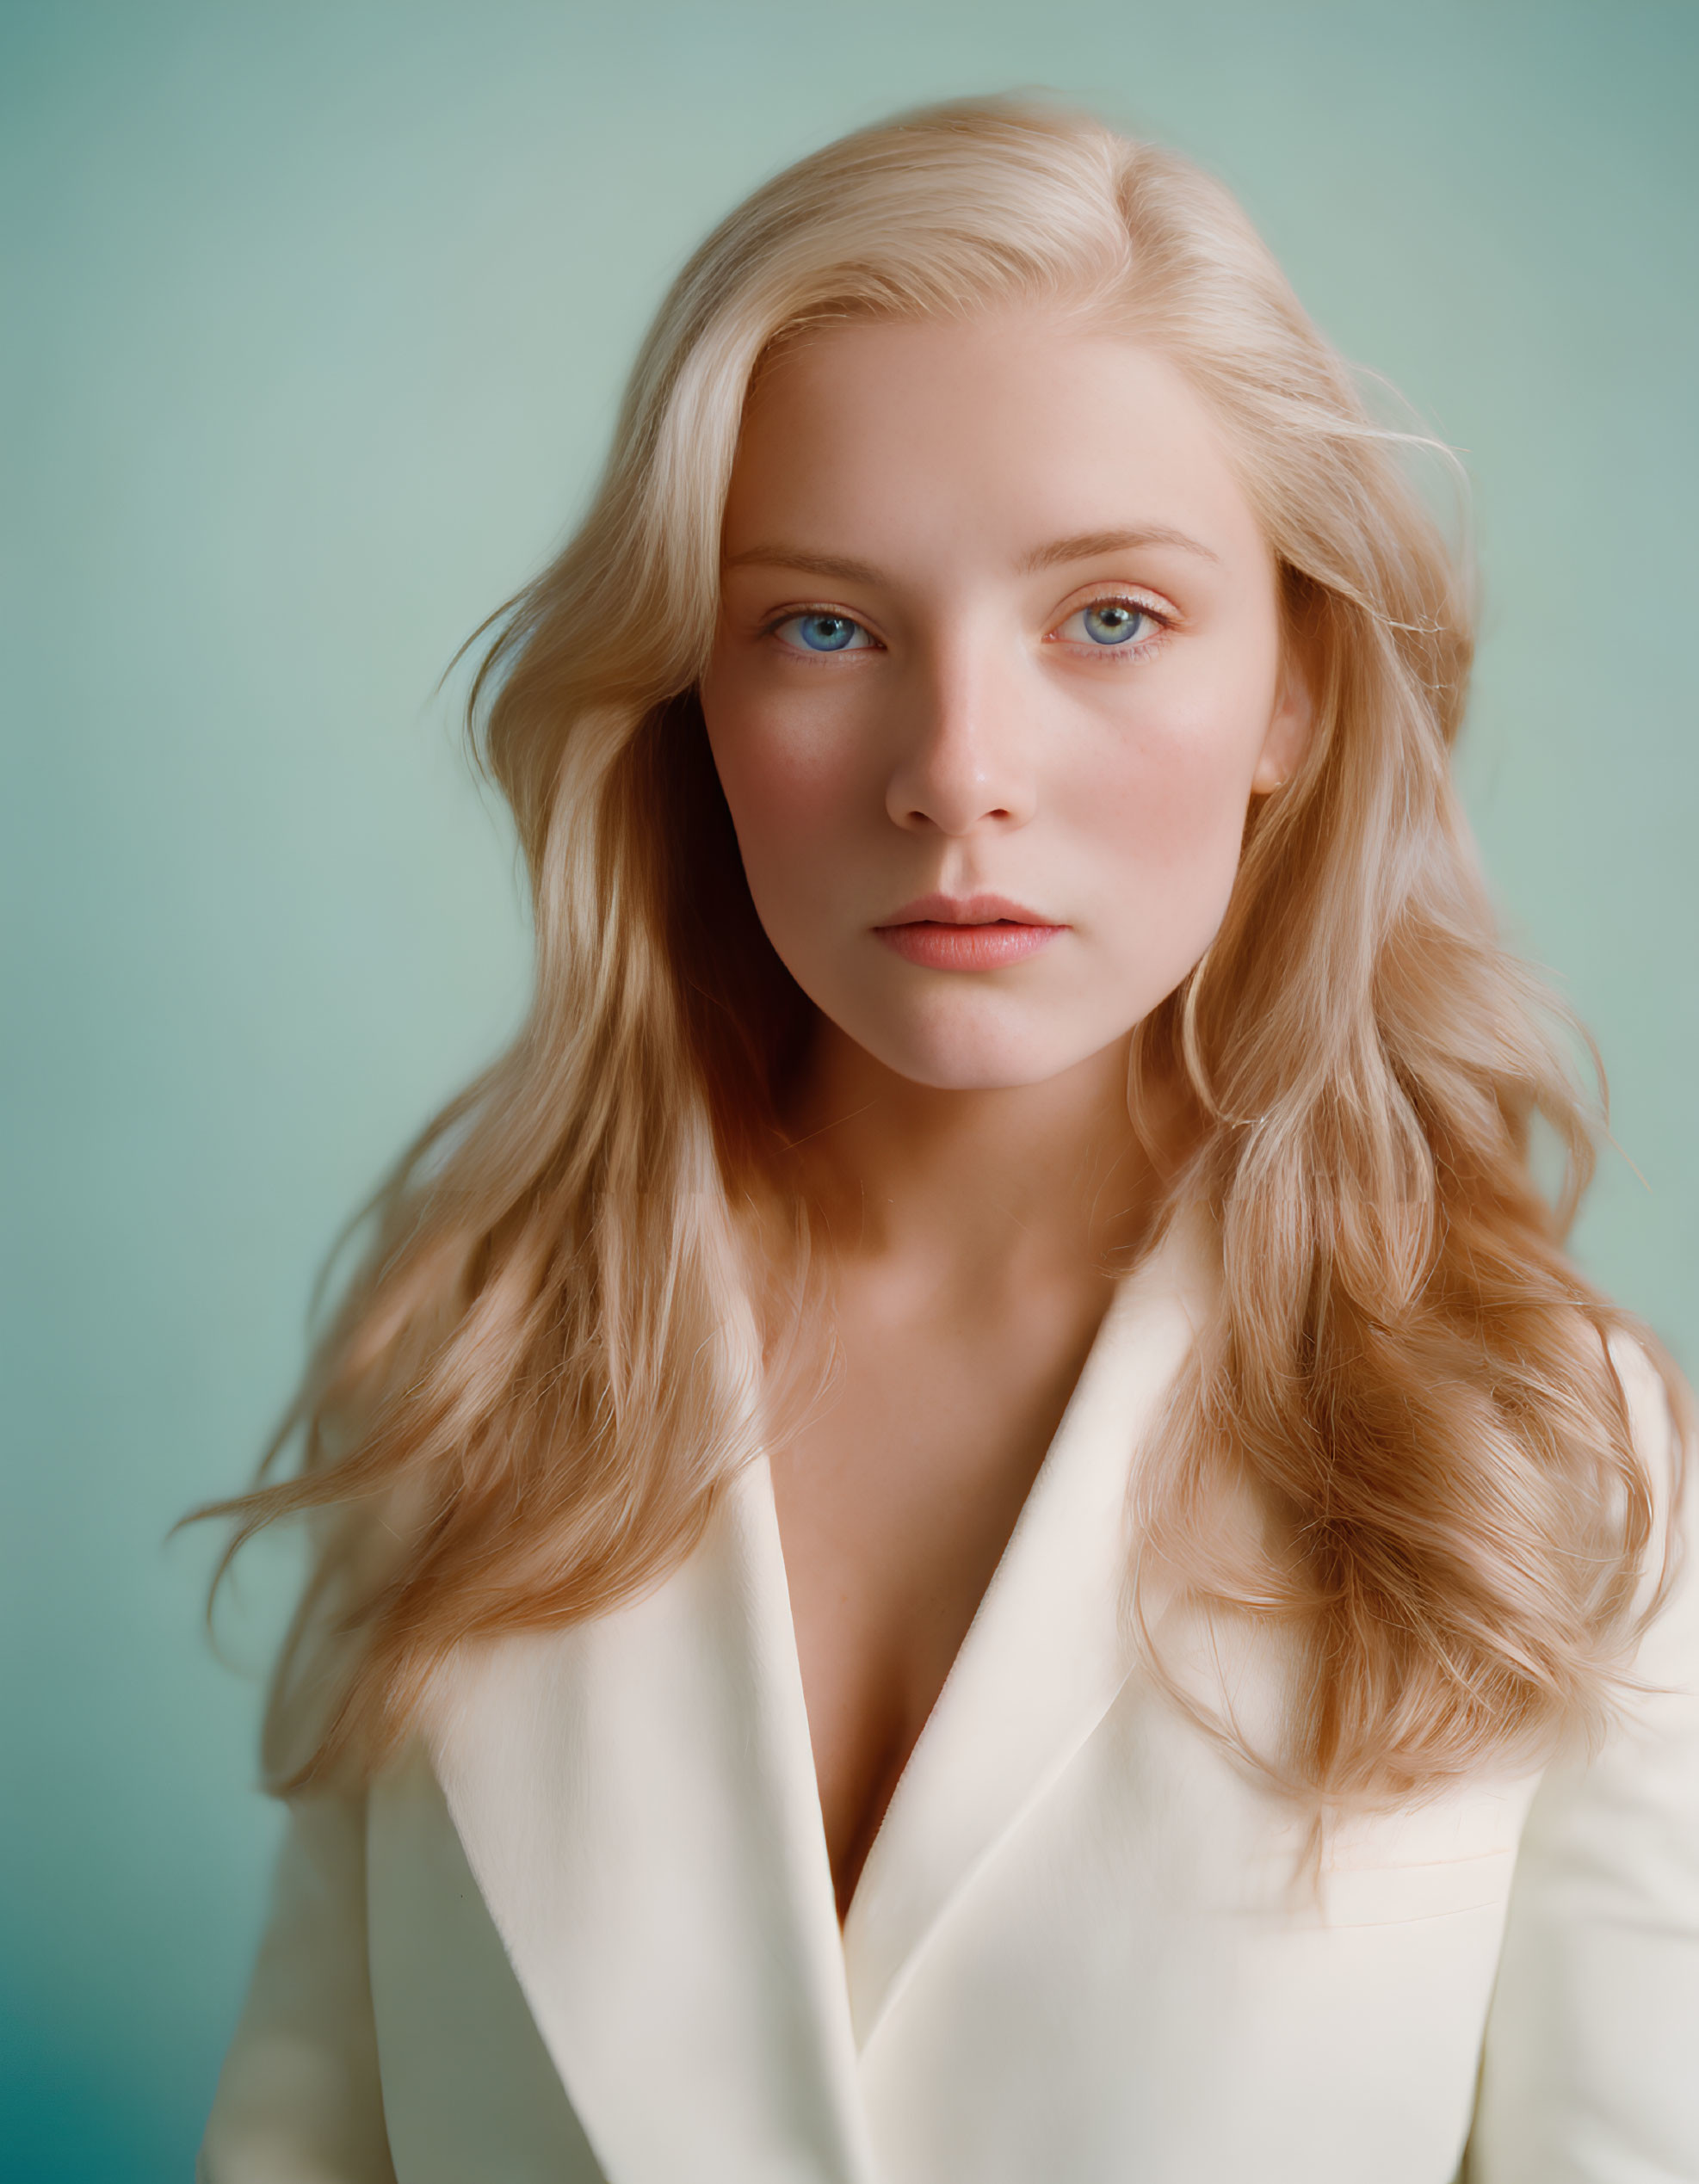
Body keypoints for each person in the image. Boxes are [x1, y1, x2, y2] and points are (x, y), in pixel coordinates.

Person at [195, 96, 1698, 2183]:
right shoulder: (471, 1353)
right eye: (822, 624)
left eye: (1110, 618)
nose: (956, 774)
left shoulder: (1549, 1452)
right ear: (685, 698)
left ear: (1298, 698)